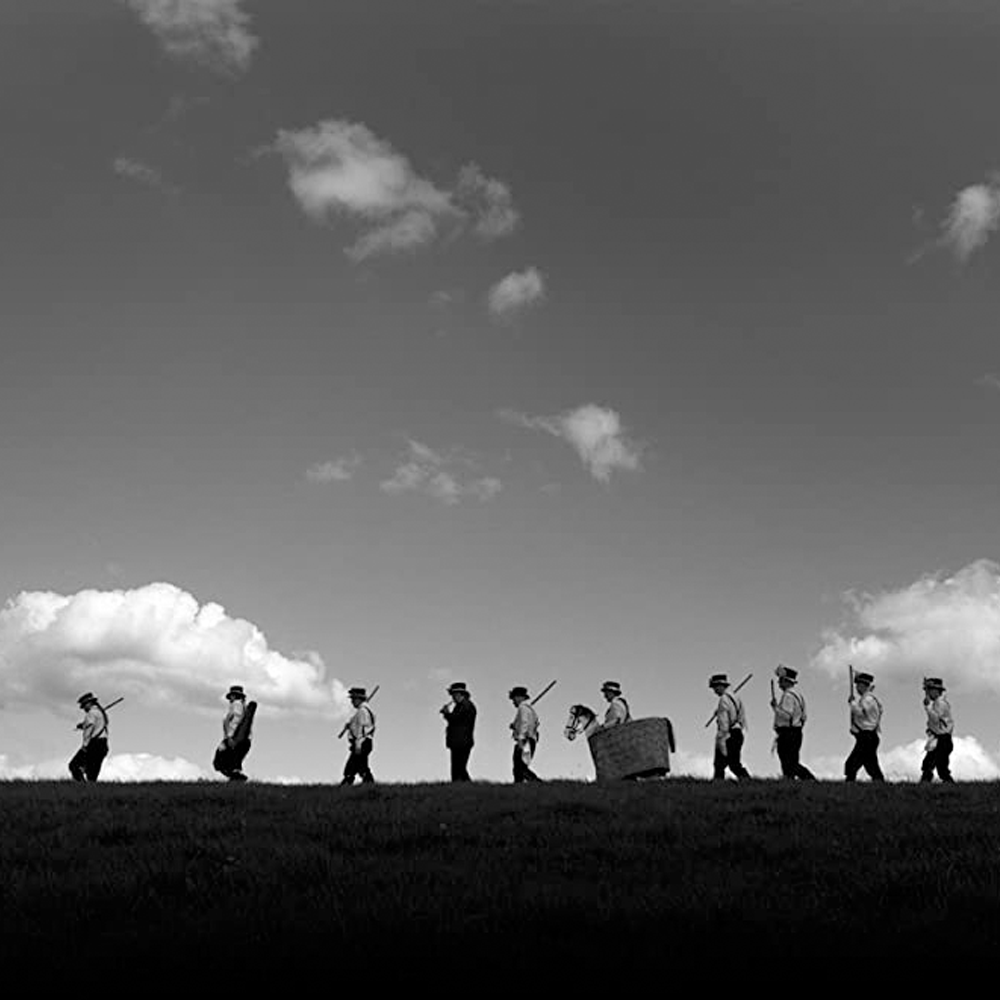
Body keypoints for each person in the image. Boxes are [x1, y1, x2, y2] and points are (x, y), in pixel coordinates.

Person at [771, 666, 815, 780]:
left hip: (788, 733)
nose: (778, 683)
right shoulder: (799, 696)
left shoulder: (788, 696)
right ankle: (791, 781)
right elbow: (804, 716)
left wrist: (775, 707)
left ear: (786, 681)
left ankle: (809, 779)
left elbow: (786, 715)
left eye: (780, 680)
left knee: (788, 762)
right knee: (791, 761)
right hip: (796, 732)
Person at [709, 674, 751, 780]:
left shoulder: (723, 700)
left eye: (715, 687)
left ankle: (718, 785)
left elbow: (724, 723)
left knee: (719, 764)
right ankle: (748, 781)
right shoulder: (736, 698)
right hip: (738, 733)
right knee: (734, 764)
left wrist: (721, 739)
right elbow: (741, 717)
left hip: (728, 735)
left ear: (720, 686)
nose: (714, 691)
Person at [845, 671, 884, 782]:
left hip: (867, 736)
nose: (857, 688)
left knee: (853, 762)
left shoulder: (868, 699)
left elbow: (861, 713)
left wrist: (852, 704)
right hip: (868, 735)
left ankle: (849, 783)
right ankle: (879, 782)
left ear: (863, 685)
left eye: (858, 685)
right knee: (870, 764)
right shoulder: (870, 699)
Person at [68, 692, 110, 782]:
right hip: (103, 745)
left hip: (94, 745)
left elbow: (89, 729)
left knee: (74, 765)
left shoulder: (91, 714)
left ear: (89, 703)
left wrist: (85, 745)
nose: (83, 708)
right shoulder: (100, 713)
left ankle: (82, 787)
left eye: (84, 705)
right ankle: (89, 790)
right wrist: (83, 725)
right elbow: (95, 725)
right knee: (92, 773)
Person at [214, 685, 251, 782]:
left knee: (219, 762)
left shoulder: (235, 704)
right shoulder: (245, 707)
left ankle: (235, 776)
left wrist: (227, 737)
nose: (230, 698)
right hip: (245, 740)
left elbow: (226, 721)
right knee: (234, 762)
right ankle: (236, 777)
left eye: (231, 696)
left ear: (234, 696)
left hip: (232, 738)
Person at [921, 677, 954, 783]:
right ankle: (925, 782)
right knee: (929, 763)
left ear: (936, 691)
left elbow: (935, 719)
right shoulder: (939, 703)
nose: (928, 693)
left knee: (940, 767)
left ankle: (948, 783)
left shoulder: (939, 704)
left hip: (942, 739)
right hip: (940, 738)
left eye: (929, 690)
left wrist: (927, 707)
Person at [441, 681, 476, 781]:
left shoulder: (466, 706)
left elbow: (456, 720)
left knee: (458, 767)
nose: (452, 697)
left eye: (453, 695)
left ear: (459, 694)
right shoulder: (463, 706)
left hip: (461, 741)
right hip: (460, 741)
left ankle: (464, 786)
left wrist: (447, 714)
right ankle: (464, 786)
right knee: (458, 767)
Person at [341, 686, 376, 785]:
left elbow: (362, 730)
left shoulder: (362, 711)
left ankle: (346, 786)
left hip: (361, 742)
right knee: (360, 766)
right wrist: (351, 725)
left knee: (353, 767)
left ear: (358, 699)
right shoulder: (365, 711)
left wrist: (358, 744)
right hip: (364, 742)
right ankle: (369, 785)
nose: (352, 702)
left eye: (353, 699)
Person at [508, 686, 542, 783]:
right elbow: (534, 723)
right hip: (530, 740)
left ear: (519, 697)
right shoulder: (530, 710)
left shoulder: (523, 708)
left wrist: (520, 739)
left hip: (525, 740)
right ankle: (519, 786)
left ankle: (536, 782)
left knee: (520, 768)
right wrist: (515, 725)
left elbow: (524, 723)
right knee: (520, 767)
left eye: (514, 698)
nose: (513, 701)